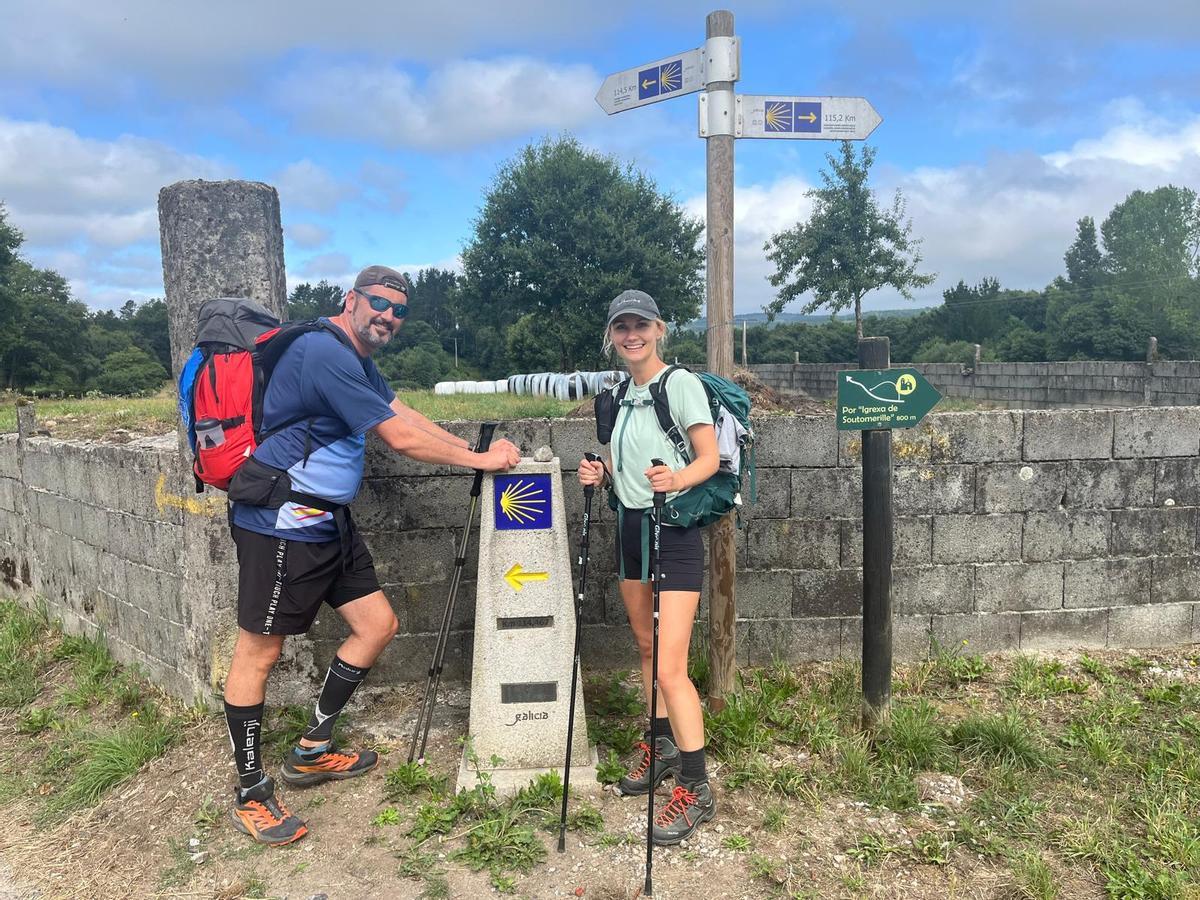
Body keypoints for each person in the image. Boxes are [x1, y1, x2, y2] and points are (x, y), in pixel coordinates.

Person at [223, 265, 521, 845]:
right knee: (259, 651)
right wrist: (481, 462)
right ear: (351, 299)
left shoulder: (355, 356)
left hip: (328, 522)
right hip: (282, 521)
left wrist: (471, 446)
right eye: (379, 303)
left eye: (399, 310)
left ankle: (312, 750)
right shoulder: (321, 351)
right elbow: (400, 438)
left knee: (377, 625)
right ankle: (251, 792)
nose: (388, 316)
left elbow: (404, 413)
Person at [578, 289, 720, 846]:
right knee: (645, 649)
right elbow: (623, 470)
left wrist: (676, 479)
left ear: (659, 329)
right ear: (611, 336)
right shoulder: (614, 397)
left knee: (670, 666)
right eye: (622, 327)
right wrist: (602, 476)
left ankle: (696, 786)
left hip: (674, 530)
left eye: (641, 325)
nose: (631, 335)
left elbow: (709, 459)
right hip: (632, 530)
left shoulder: (679, 385)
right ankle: (660, 744)